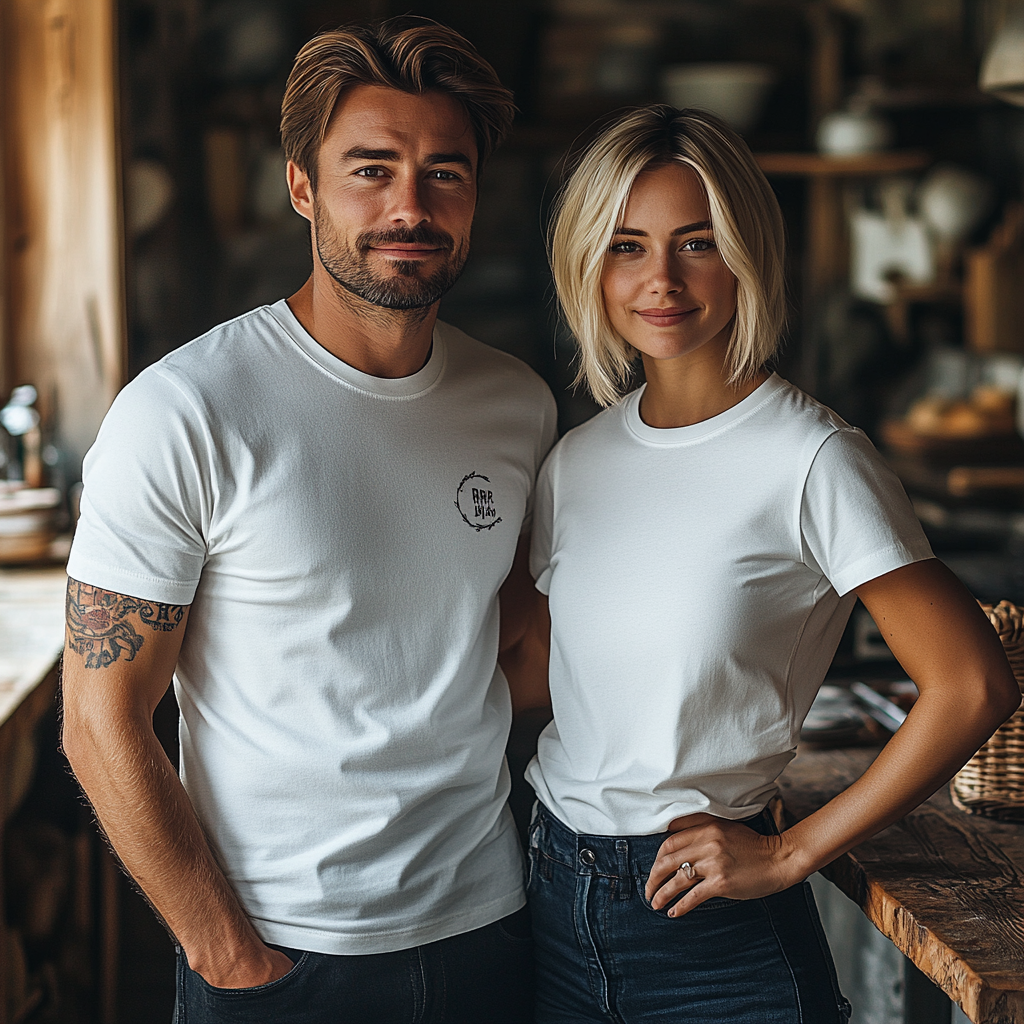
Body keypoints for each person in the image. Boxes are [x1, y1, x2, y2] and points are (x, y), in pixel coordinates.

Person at [60, 20, 556, 1024]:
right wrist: (226, 954)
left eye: (443, 174)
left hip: (489, 928)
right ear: (301, 187)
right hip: (282, 956)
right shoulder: (187, 410)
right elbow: (99, 721)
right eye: (369, 170)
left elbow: (509, 645)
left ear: (475, 196)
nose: (409, 206)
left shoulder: (516, 405)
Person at [521, 105, 1021, 1024]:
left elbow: (972, 684)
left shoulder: (814, 459)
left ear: (747, 252)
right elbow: (549, 674)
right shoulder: (575, 461)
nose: (660, 279)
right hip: (550, 892)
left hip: (709, 930)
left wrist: (792, 854)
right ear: (589, 267)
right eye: (627, 246)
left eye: (696, 243)